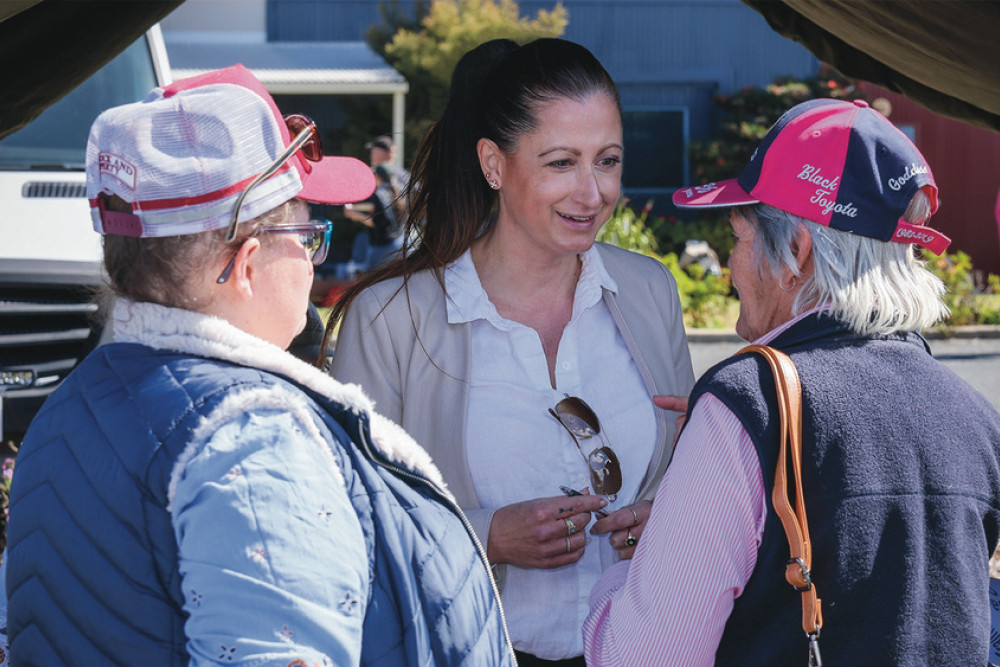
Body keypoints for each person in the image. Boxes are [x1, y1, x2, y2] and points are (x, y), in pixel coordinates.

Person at [4, 64, 515, 666]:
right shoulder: (252, 441)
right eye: (307, 234)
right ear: (245, 266)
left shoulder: (73, 405)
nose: (311, 260)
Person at [584, 98, 1000, 665]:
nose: (729, 268)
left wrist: (627, 577)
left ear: (796, 253)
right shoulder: (974, 415)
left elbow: (647, 656)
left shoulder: (747, 403)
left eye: (737, 238)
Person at [327, 39, 695, 665]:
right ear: (493, 164)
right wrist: (486, 535)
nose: (592, 192)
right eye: (560, 163)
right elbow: (346, 519)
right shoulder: (390, 318)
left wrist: (665, 517)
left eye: (607, 160)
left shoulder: (648, 289)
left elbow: (686, 472)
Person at [343, 162, 405, 269]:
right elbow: (374, 208)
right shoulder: (398, 192)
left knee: (375, 282)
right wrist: (354, 208)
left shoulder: (378, 194)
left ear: (377, 176)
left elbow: (375, 222)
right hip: (400, 243)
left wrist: (353, 214)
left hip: (383, 248)